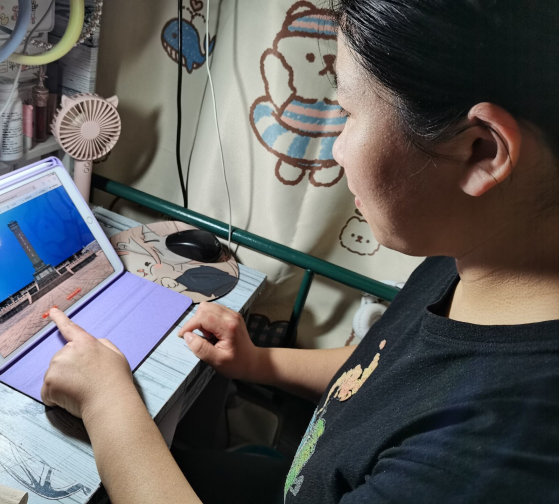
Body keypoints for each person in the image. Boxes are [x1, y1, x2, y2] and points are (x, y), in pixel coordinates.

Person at [39, 0, 559, 502]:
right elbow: (388, 371)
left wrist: (106, 401)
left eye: (348, 112)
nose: (336, 148)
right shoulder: (478, 253)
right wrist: (259, 362)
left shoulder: (489, 460)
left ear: (481, 150)